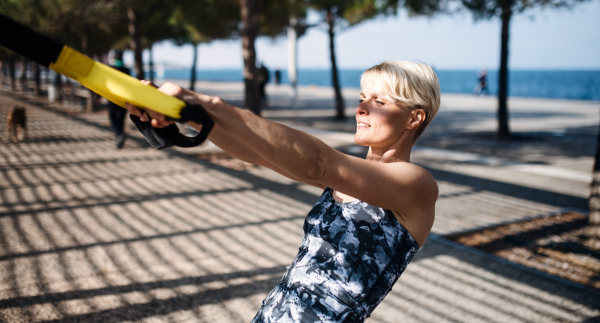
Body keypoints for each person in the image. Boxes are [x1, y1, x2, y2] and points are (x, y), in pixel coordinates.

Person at [126, 60, 440, 323]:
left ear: (414, 117)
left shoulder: (417, 185)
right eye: (362, 98)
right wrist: (187, 113)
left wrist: (208, 105)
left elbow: (317, 163)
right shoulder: (349, 177)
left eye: (379, 102)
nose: (361, 109)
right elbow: (257, 152)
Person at [108, 59, 130, 149]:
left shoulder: (110, 68)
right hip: (124, 97)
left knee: (112, 115)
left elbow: (105, 82)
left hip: (112, 96)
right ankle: (120, 133)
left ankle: (118, 133)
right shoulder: (126, 69)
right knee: (121, 117)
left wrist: (98, 96)